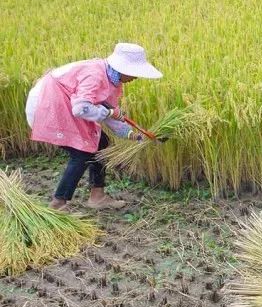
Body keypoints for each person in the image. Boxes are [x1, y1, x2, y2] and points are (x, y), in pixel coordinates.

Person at [25, 43, 162, 211]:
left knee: (101, 144)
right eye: (135, 72)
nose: (137, 77)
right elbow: (81, 109)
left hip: (66, 105)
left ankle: (97, 197)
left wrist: (133, 135)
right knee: (82, 152)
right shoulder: (95, 75)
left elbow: (110, 114)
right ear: (123, 68)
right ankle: (57, 204)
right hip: (49, 104)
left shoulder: (113, 81)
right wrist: (110, 112)